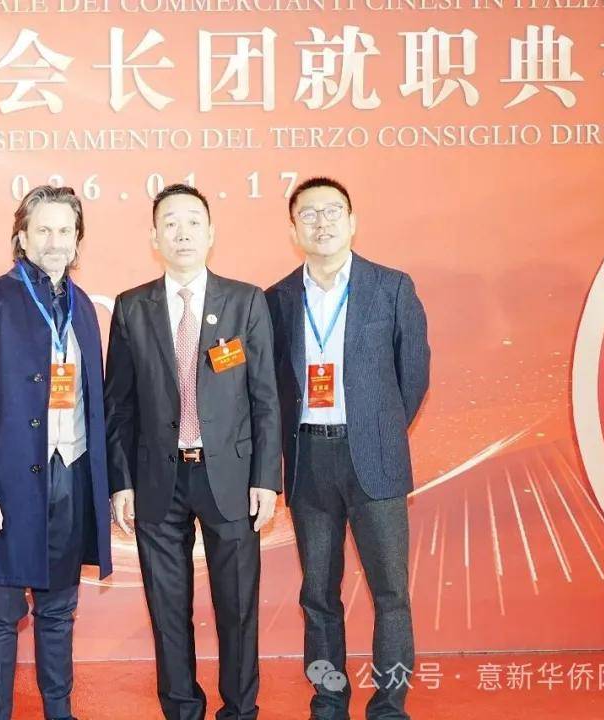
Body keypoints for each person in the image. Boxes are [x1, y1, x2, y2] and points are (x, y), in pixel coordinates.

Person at [105, 183, 281, 720]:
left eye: (193, 222)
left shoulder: (245, 301)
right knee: (167, 609)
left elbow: (266, 398)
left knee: (238, 607)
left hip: (230, 477)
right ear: (154, 237)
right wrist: (121, 482)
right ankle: (182, 709)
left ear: (211, 233)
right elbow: (119, 405)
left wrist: (266, 478)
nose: (182, 233)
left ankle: (240, 710)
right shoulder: (131, 307)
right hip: (158, 479)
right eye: (171, 223)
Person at [264, 177, 430, 720]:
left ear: (353, 221)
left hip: (376, 460)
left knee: (391, 593)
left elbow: (414, 376)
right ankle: (329, 698)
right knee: (318, 593)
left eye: (333, 211)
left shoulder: (392, 287)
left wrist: (377, 429)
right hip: (309, 461)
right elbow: (270, 386)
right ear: (294, 229)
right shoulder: (276, 300)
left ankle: (389, 705)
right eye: (309, 214)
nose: (322, 222)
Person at [0, 185, 113, 720]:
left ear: (78, 240)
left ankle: (59, 712)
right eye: (43, 229)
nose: (55, 241)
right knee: (1, 611)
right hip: (6, 486)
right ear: (21, 236)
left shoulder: (84, 310)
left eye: (66, 230)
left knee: (59, 610)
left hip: (71, 477)